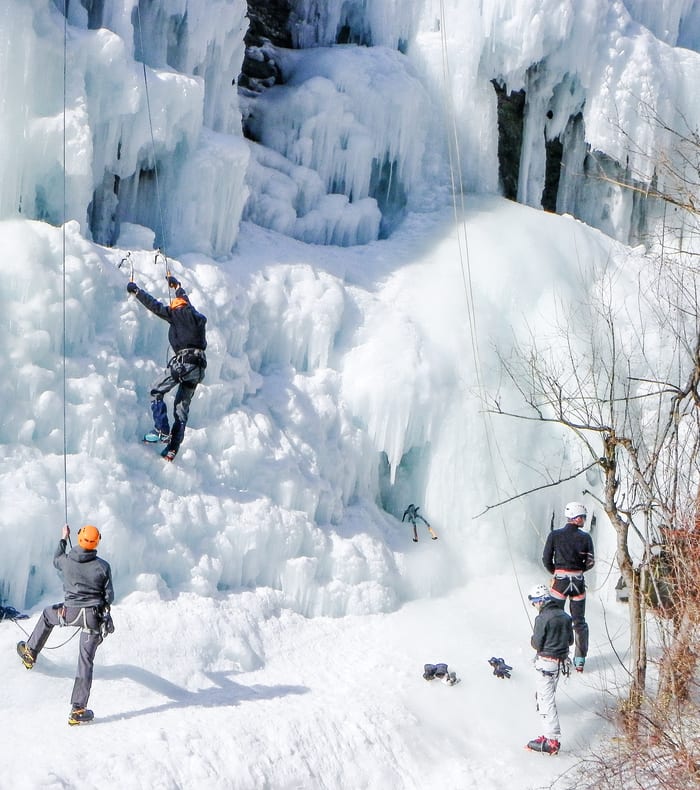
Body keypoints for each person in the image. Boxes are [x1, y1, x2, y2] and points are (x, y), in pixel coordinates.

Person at [17, 524, 114, 725]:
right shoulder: (103, 567)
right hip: (92, 618)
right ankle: (78, 710)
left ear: (79, 538)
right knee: (85, 661)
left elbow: (56, 559)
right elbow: (109, 597)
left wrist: (63, 538)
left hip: (68, 613)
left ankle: (30, 652)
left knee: (46, 615)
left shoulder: (67, 561)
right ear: (97, 542)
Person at [127, 275, 207, 462]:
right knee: (181, 409)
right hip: (199, 368)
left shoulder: (175, 313)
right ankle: (172, 449)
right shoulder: (196, 316)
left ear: (175, 307)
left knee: (155, 391)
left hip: (184, 363)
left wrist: (136, 291)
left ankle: (161, 430)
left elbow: (154, 305)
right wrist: (177, 286)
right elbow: (184, 300)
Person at [541, 501, 595, 671]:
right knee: (579, 621)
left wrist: (555, 572)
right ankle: (579, 659)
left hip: (560, 581)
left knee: (553, 617)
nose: (584, 520)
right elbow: (591, 562)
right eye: (583, 518)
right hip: (578, 582)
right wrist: (579, 570)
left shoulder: (554, 535)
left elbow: (546, 559)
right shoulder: (585, 537)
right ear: (577, 518)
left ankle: (553, 654)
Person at [526, 583, 573, 755]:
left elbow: (536, 643)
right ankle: (548, 733)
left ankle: (551, 740)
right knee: (547, 697)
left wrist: (533, 640)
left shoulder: (542, 618)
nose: (534, 606)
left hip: (546, 663)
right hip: (560, 663)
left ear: (540, 601)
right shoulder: (565, 616)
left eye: (534, 603)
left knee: (546, 701)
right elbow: (570, 641)